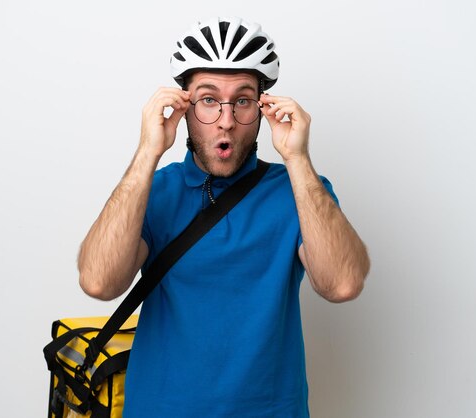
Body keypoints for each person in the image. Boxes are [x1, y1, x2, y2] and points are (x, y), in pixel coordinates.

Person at [77, 16, 370, 418]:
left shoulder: (301, 190)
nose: (226, 119)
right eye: (209, 100)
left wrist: (298, 158)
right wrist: (148, 152)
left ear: (263, 107)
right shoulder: (152, 189)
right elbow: (98, 282)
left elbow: (342, 284)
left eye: (243, 100)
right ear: (184, 106)